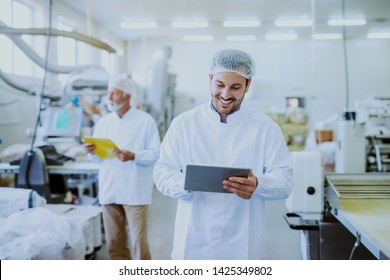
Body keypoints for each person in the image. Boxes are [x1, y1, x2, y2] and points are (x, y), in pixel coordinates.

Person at [153, 49, 293, 260]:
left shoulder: (265, 128)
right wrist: (186, 183)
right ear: (210, 79)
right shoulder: (184, 124)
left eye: (236, 87)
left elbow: (285, 180)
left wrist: (258, 184)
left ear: (248, 85)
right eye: (219, 85)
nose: (226, 94)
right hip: (193, 241)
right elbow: (162, 171)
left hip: (242, 245)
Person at [84, 75, 161, 260]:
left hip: (134, 189)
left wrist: (133, 155)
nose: (109, 98)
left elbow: (156, 154)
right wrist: (91, 152)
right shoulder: (103, 123)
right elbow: (96, 161)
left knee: (138, 242)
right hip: (109, 188)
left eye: (114, 93)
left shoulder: (145, 121)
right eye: (108, 93)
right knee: (114, 242)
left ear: (127, 96)